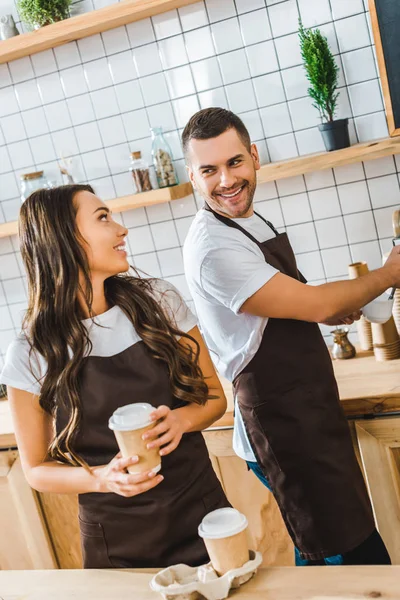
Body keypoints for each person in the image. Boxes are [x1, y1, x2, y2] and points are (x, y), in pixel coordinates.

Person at [182, 107, 398, 566]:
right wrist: (387, 274)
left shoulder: (248, 221)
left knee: (333, 552)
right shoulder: (212, 246)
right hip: (281, 426)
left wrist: (332, 310)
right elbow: (315, 303)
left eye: (234, 162)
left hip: (305, 411)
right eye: (209, 170)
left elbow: (297, 301)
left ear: (254, 156)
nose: (226, 180)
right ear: (192, 177)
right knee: (348, 559)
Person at [0, 184, 230, 569]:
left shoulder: (159, 301)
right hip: (118, 544)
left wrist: (180, 420)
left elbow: (213, 397)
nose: (121, 229)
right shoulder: (31, 352)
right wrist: (102, 479)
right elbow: (36, 470)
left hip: (204, 522)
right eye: (103, 218)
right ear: (63, 238)